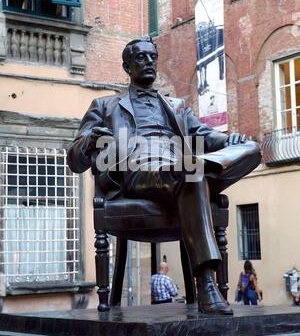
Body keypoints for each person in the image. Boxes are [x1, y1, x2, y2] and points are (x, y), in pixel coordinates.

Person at [67, 35, 261, 315]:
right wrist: (89, 141)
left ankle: (208, 168)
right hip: (136, 171)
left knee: (249, 149)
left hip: (180, 167)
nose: (148, 62)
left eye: (152, 57)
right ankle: (207, 283)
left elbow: (206, 136)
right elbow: (74, 159)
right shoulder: (104, 105)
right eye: (140, 58)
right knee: (193, 171)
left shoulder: (177, 106)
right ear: (126, 66)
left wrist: (231, 141)